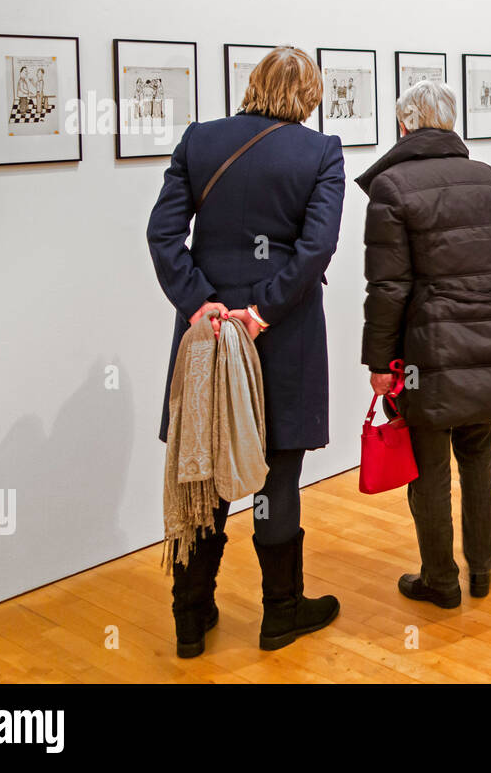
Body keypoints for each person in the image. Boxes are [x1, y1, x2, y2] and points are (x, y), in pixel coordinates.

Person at [147, 45, 346, 656]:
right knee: (276, 479)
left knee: (201, 473)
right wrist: (260, 311)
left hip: (206, 336)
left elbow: (163, 234)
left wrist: (201, 303)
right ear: (310, 95)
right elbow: (316, 251)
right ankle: (280, 615)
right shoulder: (319, 152)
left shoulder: (200, 139)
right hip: (281, 335)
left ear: (252, 84)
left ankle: (190, 617)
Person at [357, 79, 491, 609]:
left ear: (405, 125)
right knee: (478, 455)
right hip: (487, 342)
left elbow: (388, 287)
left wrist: (381, 362)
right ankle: (481, 568)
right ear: (452, 122)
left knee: (429, 466)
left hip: (426, 354)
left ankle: (441, 579)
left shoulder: (391, 188)